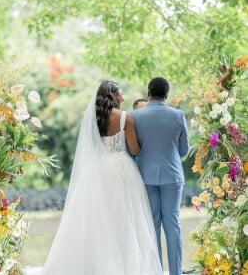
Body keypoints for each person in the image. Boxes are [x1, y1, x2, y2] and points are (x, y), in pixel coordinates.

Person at [42, 80, 162, 275]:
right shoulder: (125, 118)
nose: (122, 98)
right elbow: (134, 149)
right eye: (120, 94)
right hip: (120, 170)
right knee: (125, 219)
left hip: (96, 171)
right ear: (113, 96)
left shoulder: (92, 119)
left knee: (97, 220)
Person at [131, 77, 189, 275]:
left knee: (152, 225)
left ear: (149, 94)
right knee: (173, 226)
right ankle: (176, 273)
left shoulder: (135, 116)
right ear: (167, 94)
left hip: (145, 177)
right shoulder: (179, 115)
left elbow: (132, 150)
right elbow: (183, 151)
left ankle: (155, 271)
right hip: (172, 176)